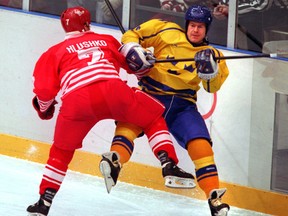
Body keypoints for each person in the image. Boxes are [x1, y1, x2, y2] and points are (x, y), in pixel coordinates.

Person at [26, 6, 194, 216]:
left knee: (60, 153)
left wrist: (44, 110)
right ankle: (168, 163)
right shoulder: (106, 40)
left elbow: (44, 91)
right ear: (88, 23)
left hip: (77, 102)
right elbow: (138, 68)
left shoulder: (53, 52)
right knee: (152, 117)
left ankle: (44, 202)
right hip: (113, 92)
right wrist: (144, 58)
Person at [108, 4, 230, 216]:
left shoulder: (213, 55)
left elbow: (212, 88)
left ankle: (214, 198)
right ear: (187, 24)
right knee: (129, 124)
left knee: (201, 145)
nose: (195, 30)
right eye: (192, 25)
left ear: (207, 29)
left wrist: (210, 73)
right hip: (151, 93)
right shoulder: (165, 31)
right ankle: (114, 160)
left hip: (183, 106)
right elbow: (132, 35)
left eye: (200, 27)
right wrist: (135, 50)